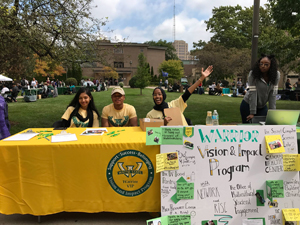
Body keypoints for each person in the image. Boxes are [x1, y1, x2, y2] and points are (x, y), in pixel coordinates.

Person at [146, 66, 213, 126]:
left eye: (159, 94)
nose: (157, 96)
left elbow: (187, 93)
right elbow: (150, 133)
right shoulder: (150, 115)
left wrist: (201, 79)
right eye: (155, 95)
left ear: (163, 96)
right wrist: (162, 123)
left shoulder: (174, 105)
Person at [240, 54, 280, 123]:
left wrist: (273, 113)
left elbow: (273, 95)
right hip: (248, 105)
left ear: (271, 66)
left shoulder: (276, 75)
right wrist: (252, 112)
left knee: (265, 126)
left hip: (262, 106)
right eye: (261, 64)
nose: (263, 66)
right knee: (249, 128)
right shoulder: (253, 74)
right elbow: (253, 93)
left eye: (266, 64)